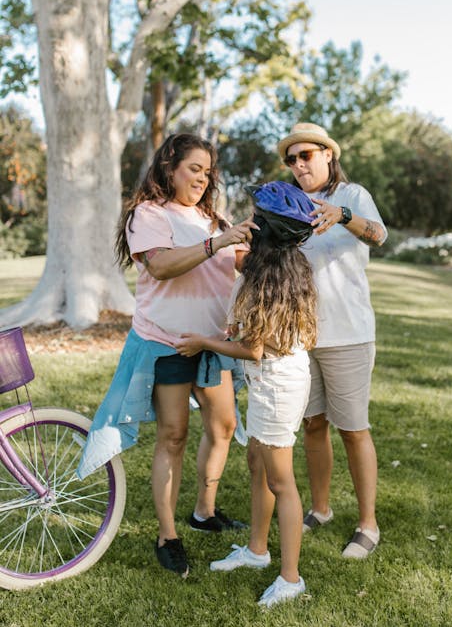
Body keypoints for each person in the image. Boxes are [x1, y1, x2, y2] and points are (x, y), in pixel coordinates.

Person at [77, 132, 257, 578]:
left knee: (224, 426)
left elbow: (239, 263)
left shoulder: (213, 217)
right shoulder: (150, 214)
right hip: (168, 341)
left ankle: (204, 511)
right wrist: (218, 242)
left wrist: (265, 245)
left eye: (207, 171)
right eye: (194, 168)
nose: (202, 177)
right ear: (169, 168)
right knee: (173, 436)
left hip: (213, 342)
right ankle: (167, 535)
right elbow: (160, 265)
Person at [175, 180, 317, 607]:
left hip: (276, 384)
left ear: (266, 229)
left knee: (281, 481)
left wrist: (203, 341)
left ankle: (290, 579)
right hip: (269, 379)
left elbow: (252, 348)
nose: (248, 221)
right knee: (258, 465)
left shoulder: (267, 278)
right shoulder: (275, 267)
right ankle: (257, 550)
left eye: (255, 217)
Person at [277, 122, 387, 559]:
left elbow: (379, 236)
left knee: (353, 430)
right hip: (302, 335)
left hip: (349, 334)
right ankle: (320, 509)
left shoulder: (352, 195)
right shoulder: (289, 205)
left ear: (327, 155)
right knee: (313, 424)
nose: (299, 164)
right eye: (292, 159)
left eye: (306, 155)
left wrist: (341, 215)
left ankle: (368, 525)